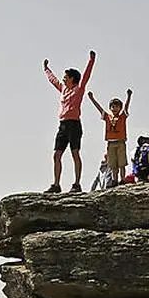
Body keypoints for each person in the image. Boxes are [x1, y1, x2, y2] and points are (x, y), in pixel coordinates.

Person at [43, 50, 96, 193]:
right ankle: (56, 184)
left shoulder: (79, 89)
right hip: (63, 125)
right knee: (57, 154)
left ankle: (76, 184)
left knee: (75, 153)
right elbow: (53, 80)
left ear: (72, 78)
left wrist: (91, 60)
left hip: (74, 125)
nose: (64, 79)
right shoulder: (63, 89)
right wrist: (46, 69)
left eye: (66, 77)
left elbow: (86, 76)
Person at [87, 89, 132, 186]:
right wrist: (92, 98)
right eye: (112, 107)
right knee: (113, 164)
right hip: (110, 143)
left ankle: (123, 179)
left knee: (122, 163)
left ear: (120, 108)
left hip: (120, 142)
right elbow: (99, 108)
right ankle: (114, 180)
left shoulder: (122, 116)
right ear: (110, 108)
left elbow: (126, 107)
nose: (114, 108)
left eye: (117, 107)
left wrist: (128, 96)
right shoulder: (108, 117)